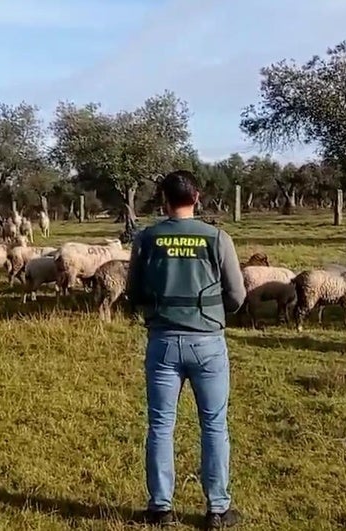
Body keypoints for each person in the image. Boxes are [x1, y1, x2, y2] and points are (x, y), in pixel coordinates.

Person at [125, 170, 246, 529]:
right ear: (197, 197)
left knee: (161, 425)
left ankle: (159, 507)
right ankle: (217, 509)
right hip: (208, 344)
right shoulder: (217, 237)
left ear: (163, 199)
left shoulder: (147, 238)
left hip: (162, 342)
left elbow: (133, 292)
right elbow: (237, 295)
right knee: (214, 425)